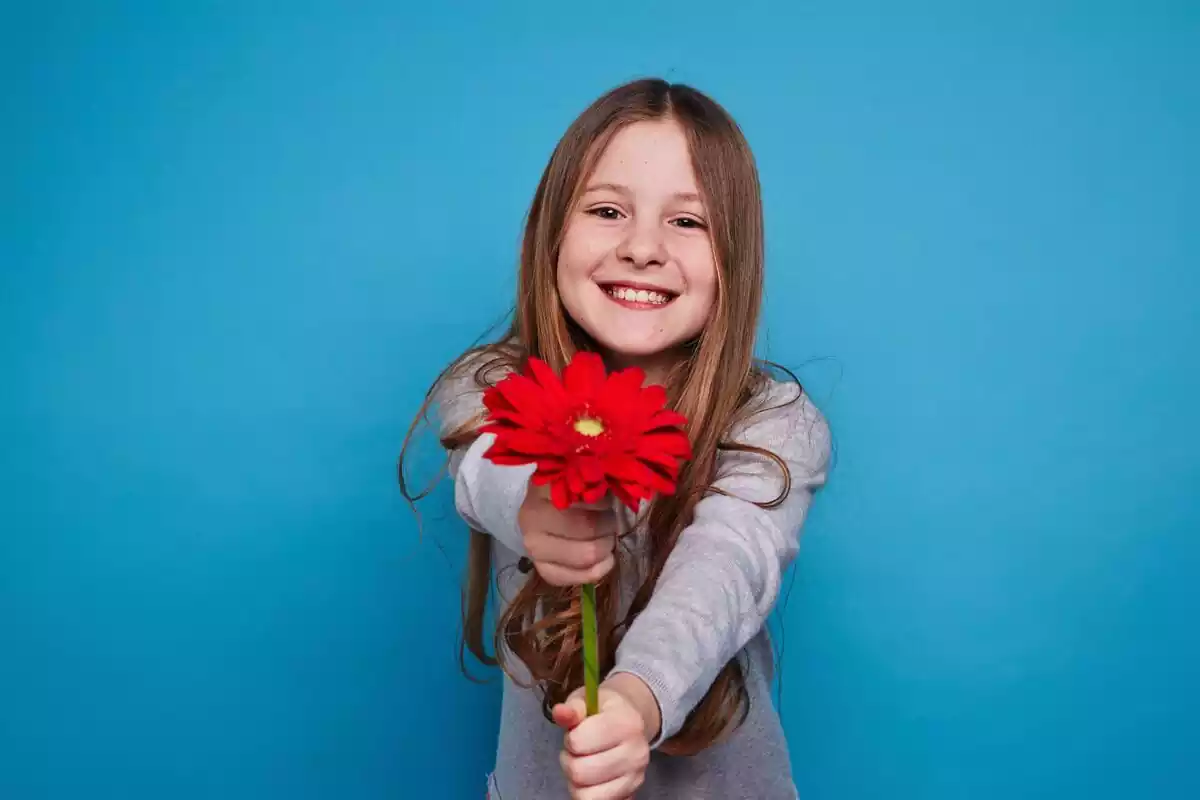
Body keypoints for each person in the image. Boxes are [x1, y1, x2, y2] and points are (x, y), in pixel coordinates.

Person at [401, 77, 832, 799]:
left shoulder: (775, 422)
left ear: (736, 258)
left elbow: (729, 566)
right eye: (607, 211)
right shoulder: (487, 386)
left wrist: (637, 698)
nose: (642, 248)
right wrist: (539, 504)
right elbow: (484, 468)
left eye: (687, 222)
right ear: (551, 233)